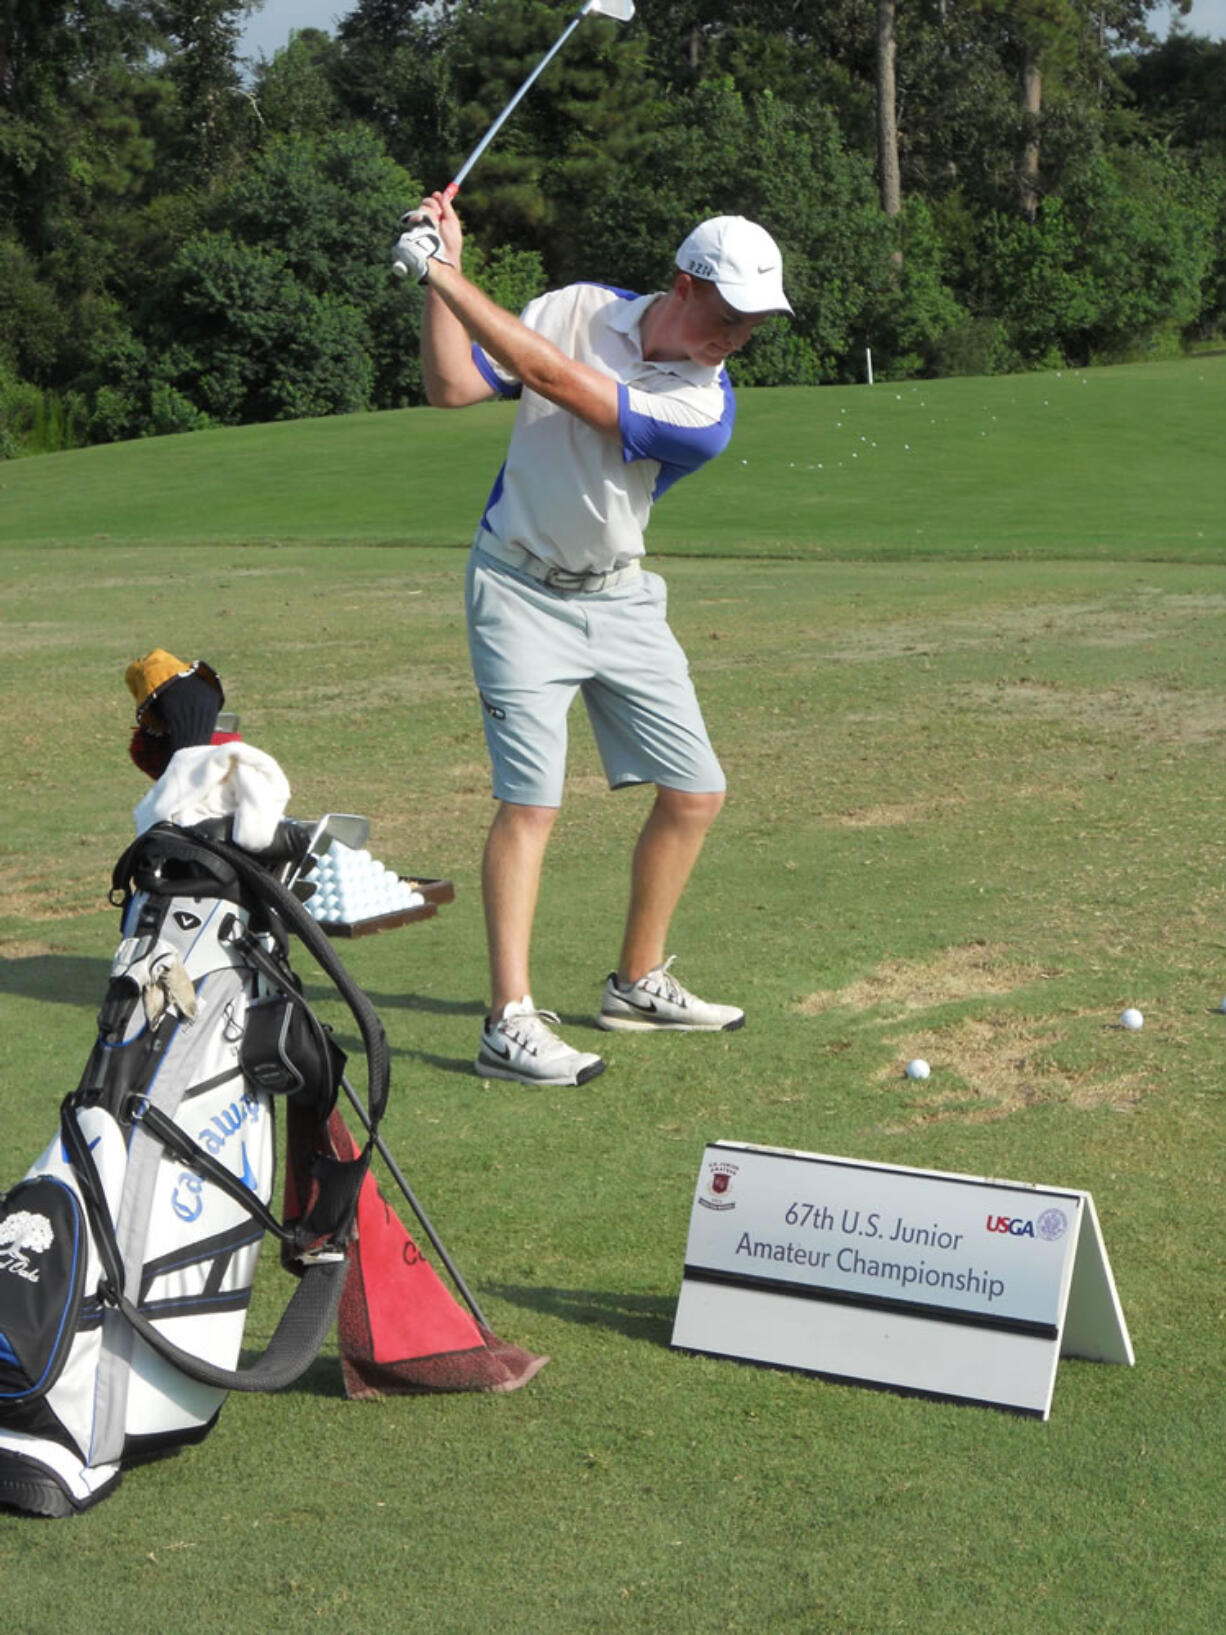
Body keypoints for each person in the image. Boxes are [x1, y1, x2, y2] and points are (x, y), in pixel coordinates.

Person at [394, 198, 792, 1087]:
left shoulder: (705, 404)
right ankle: (508, 1022)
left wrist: (442, 272)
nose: (740, 337)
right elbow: (455, 384)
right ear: (685, 284)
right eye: (730, 315)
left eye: (756, 323)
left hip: (620, 600)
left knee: (696, 792)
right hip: (517, 587)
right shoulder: (575, 306)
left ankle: (637, 979)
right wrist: (440, 275)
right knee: (531, 805)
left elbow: (559, 383)